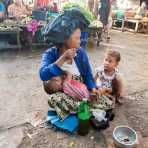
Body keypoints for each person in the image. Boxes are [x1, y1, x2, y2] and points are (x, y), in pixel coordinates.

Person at [39, 8, 100, 120]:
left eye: (80, 37)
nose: (80, 41)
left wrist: (92, 89)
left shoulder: (80, 53)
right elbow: (43, 75)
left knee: (100, 98)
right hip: (66, 94)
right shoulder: (50, 54)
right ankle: (84, 107)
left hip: (81, 90)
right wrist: (63, 58)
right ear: (65, 39)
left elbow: (87, 74)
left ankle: (79, 107)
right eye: (77, 38)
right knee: (54, 99)